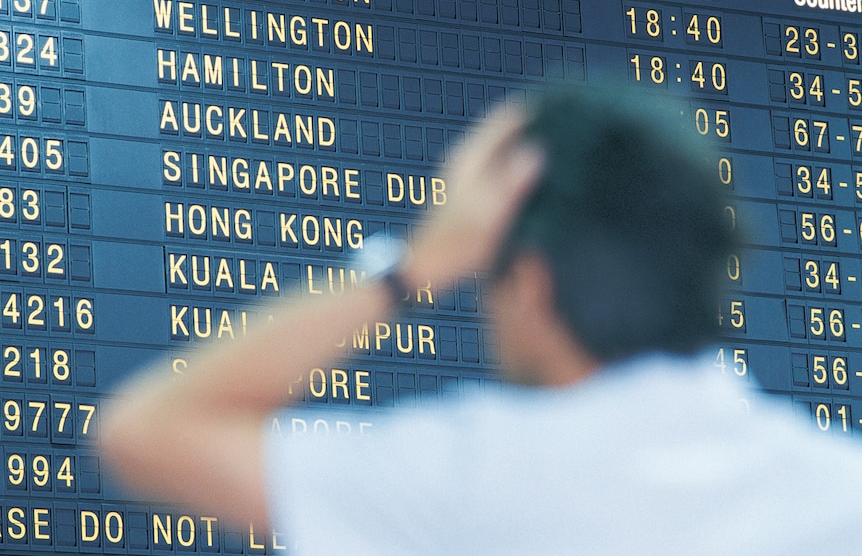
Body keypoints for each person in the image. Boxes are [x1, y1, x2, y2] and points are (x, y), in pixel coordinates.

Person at [101, 85, 862, 554]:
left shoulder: (468, 477)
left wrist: (417, 262)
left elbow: (147, 430)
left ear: (529, 283)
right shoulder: (840, 488)